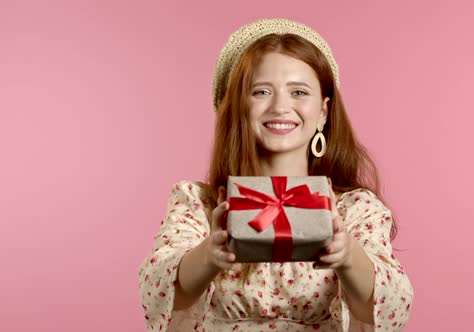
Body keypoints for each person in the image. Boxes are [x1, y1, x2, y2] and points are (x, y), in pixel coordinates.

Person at [138, 18, 414, 331]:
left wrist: (348, 254)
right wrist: (209, 254)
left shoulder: (355, 209)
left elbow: (393, 306)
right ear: (236, 107)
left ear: (323, 112)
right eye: (261, 92)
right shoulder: (199, 204)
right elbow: (156, 291)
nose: (281, 106)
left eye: (298, 92)